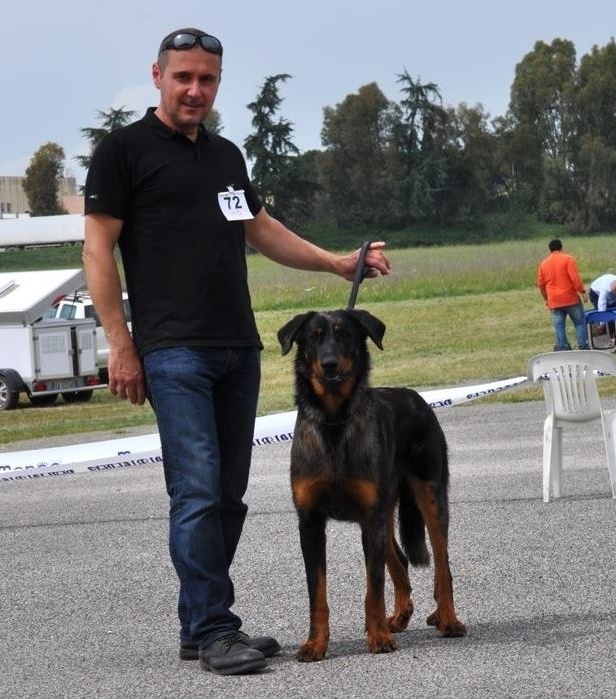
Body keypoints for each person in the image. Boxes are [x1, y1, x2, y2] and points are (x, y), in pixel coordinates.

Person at [82, 27, 391, 677]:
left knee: (227, 496)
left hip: (236, 348)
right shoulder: (123, 151)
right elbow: (96, 250)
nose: (195, 90)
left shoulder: (224, 155)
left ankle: (200, 623)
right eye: (183, 77)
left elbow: (259, 228)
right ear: (157, 75)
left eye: (207, 79)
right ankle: (217, 626)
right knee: (194, 490)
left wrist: (337, 263)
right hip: (172, 351)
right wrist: (120, 344)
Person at [536, 238, 588, 351]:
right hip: (570, 298)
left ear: (550, 250)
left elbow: (541, 285)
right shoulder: (568, 259)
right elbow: (575, 279)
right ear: (561, 247)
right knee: (579, 323)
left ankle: (563, 347)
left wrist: (547, 299)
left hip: (554, 300)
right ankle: (583, 346)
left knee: (559, 326)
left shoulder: (543, 264)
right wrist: (582, 292)